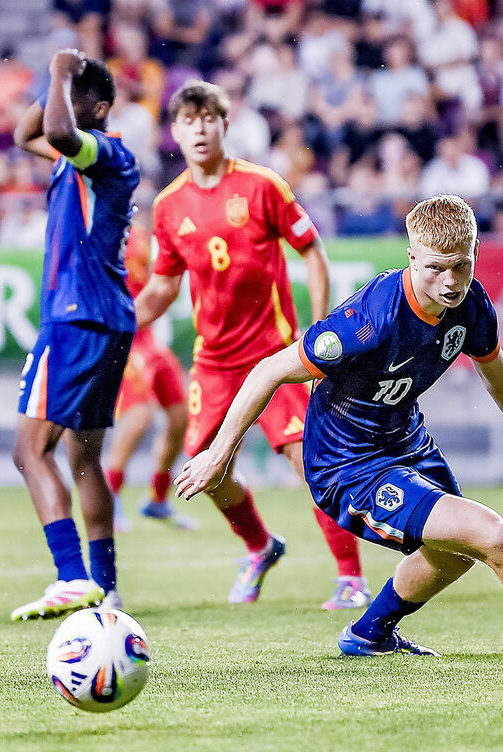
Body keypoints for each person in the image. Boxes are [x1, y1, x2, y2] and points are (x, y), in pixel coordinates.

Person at [175, 194, 503, 668]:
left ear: (475, 254)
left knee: (455, 555)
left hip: (406, 443)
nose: (450, 281)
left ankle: (368, 634)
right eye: (436, 267)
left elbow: (502, 380)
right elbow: (267, 371)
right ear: (412, 257)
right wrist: (220, 454)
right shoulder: (368, 320)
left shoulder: (472, 305)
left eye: (461, 265)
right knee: (494, 537)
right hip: (347, 466)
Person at [133, 80, 369, 610]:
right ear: (175, 132)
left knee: (309, 462)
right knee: (202, 468)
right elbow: (163, 287)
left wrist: (320, 330)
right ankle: (260, 548)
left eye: (208, 119)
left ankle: (350, 579)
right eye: (188, 121)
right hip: (214, 363)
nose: (199, 129)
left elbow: (313, 251)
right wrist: (120, 324)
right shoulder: (168, 206)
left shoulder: (263, 186)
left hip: (276, 355)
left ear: (224, 125)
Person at [9, 49, 140, 621]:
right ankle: (105, 588)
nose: (54, 103)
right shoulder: (72, 156)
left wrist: (62, 71)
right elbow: (25, 134)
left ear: (100, 108)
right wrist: (58, 80)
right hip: (103, 319)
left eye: (68, 95)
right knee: (83, 457)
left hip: (76, 317)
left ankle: (70, 576)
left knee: (29, 450)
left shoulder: (105, 152)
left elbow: (59, 130)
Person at [105, 199, 196, 533]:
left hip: (148, 338)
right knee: (140, 415)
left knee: (181, 416)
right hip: (122, 340)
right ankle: (109, 498)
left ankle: (157, 498)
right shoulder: (97, 234)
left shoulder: (141, 235)